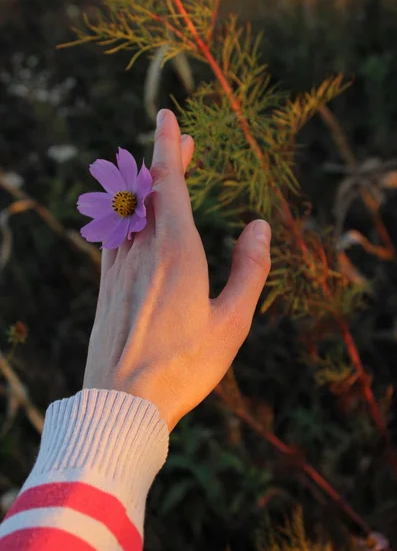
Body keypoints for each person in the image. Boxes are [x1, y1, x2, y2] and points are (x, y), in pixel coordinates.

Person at [0, 109, 272, 550]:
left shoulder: (130, 205)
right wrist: (119, 410)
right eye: (120, 203)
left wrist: (109, 412)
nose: (121, 204)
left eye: (125, 201)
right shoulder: (121, 211)